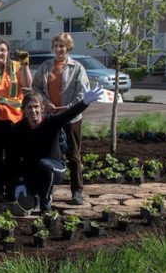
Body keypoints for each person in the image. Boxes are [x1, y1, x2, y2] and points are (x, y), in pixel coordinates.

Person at [10, 86, 103, 215]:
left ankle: (45, 205)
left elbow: (68, 115)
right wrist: (19, 182)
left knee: (44, 165)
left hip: (55, 168)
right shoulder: (18, 129)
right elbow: (13, 158)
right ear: (24, 111)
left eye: (36, 107)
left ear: (42, 109)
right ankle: (34, 197)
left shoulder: (51, 122)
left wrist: (85, 102)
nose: (33, 111)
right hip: (33, 170)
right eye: (29, 107)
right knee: (23, 197)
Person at [31, 32, 90, 205]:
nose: (59, 49)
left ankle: (77, 191)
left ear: (68, 48)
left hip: (71, 118)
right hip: (50, 118)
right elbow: (36, 87)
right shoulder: (46, 66)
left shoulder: (77, 67)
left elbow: (83, 92)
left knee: (73, 155)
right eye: (56, 45)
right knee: (49, 154)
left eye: (62, 46)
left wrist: (69, 108)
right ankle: (46, 190)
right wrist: (46, 102)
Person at [0, 38, 32, 202]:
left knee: (13, 157)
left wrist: (25, 64)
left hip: (14, 120)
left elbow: (27, 85)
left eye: (2, 50)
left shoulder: (17, 67)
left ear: (8, 52)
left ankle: (11, 189)